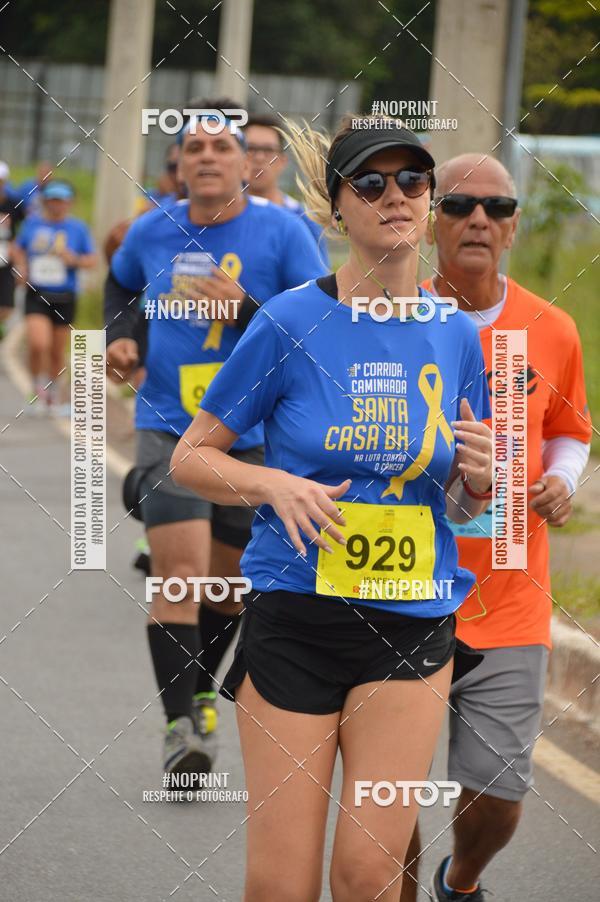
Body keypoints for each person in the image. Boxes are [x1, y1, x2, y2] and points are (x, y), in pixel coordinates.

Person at [171, 118, 493, 901]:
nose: (396, 196)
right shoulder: (288, 322)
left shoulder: (455, 335)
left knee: (369, 873)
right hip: (297, 620)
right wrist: (274, 485)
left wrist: (480, 484)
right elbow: (189, 459)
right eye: (372, 184)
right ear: (336, 206)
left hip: (411, 624)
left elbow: (466, 509)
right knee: (282, 884)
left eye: (413, 181)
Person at [104, 100, 327, 777]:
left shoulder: (285, 236)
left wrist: (245, 309)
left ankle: (199, 692)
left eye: (219, 148)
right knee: (179, 575)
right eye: (192, 148)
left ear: (244, 163)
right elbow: (119, 288)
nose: (205, 157)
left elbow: (322, 327)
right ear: (178, 166)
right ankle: (181, 729)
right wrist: (121, 336)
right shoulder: (152, 232)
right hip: (169, 427)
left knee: (227, 590)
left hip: (250, 436)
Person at [401, 153, 592, 902]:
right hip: (403, 589)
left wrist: (562, 482)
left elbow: (572, 429)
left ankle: (461, 880)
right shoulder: (396, 320)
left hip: (510, 596)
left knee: (498, 795)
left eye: (498, 207)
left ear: (512, 228)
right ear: (430, 222)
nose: (478, 218)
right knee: (390, 792)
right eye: (458, 205)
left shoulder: (552, 328)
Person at [12, 180, 96, 415]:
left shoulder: (78, 229)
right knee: (39, 343)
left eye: (61, 201)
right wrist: (21, 266)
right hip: (37, 293)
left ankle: (54, 394)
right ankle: (36, 389)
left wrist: (75, 260)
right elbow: (17, 249)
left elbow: (92, 260)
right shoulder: (32, 224)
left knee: (57, 351)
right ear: (45, 201)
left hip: (65, 297)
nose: (56, 205)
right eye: (52, 200)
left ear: (69, 203)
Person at [245, 112, 329, 263]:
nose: (258, 158)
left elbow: (319, 280)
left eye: (268, 150)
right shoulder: (218, 213)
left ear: (282, 161)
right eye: (251, 148)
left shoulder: (305, 219)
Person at [0, 161, 25, 340]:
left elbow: (22, 229)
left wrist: (21, 261)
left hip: (6, 256)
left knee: (7, 305)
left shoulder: (13, 204)